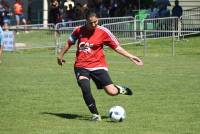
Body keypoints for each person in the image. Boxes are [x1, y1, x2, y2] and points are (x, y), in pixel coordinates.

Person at [57, 11, 143, 121]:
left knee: (111, 92)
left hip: (98, 65)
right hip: (81, 65)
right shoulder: (78, 30)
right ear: (86, 21)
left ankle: (120, 89)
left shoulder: (103, 32)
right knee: (85, 87)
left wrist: (131, 57)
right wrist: (60, 56)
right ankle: (95, 115)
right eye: (90, 22)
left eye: (96, 22)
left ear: (98, 20)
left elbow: (117, 47)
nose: (93, 25)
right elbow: (69, 43)